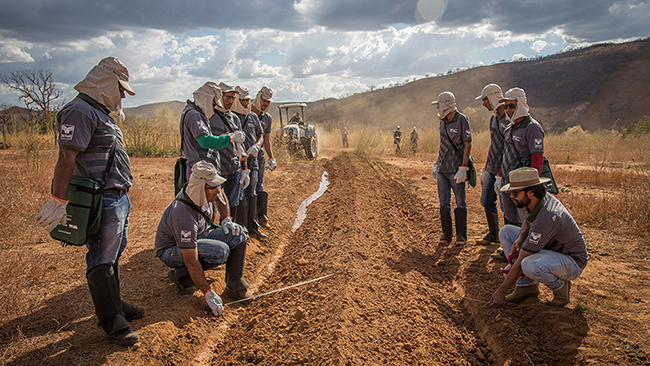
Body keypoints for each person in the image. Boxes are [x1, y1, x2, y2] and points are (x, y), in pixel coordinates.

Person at [34, 57, 142, 346]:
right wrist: (58, 199)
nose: (122, 95)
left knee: (114, 254)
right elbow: (66, 157)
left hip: (117, 196)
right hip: (100, 197)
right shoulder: (78, 110)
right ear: (106, 82)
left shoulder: (100, 112)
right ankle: (112, 322)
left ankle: (116, 305)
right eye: (121, 89)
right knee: (101, 258)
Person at [155, 161, 252, 310]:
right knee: (220, 252)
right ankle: (182, 276)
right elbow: (191, 260)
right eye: (214, 187)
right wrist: (208, 292)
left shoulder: (206, 193)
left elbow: (221, 197)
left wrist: (226, 219)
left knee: (239, 236)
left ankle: (234, 284)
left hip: (201, 234)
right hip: (173, 250)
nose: (217, 191)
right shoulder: (183, 216)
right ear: (201, 188)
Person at [489, 167, 588, 307]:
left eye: (515, 193)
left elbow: (521, 260)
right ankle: (526, 287)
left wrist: (501, 292)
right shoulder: (539, 200)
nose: (511, 196)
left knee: (528, 265)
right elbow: (528, 221)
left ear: (531, 192)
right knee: (506, 232)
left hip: (572, 261)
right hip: (550, 250)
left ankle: (560, 288)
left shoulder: (547, 216)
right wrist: (520, 238)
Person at [496, 87, 546, 227]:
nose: (508, 110)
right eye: (505, 106)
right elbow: (506, 155)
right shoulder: (509, 129)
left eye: (512, 106)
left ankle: (525, 247)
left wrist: (531, 185)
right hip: (508, 181)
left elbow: (537, 157)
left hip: (522, 184)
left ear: (521, 104)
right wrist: (499, 177)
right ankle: (511, 247)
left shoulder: (532, 128)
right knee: (509, 215)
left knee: (525, 219)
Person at [431, 91, 472, 245]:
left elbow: (467, 143)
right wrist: (437, 164)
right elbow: (442, 144)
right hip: (442, 169)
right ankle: (446, 234)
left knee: (460, 202)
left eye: (438, 104)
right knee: (443, 202)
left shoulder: (462, 120)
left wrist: (463, 167)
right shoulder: (442, 122)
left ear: (445, 104)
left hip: (456, 169)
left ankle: (461, 236)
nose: (437, 107)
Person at [232, 85, 267, 239]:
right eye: (242, 100)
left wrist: (257, 146)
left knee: (251, 192)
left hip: (253, 162)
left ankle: (253, 225)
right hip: (238, 163)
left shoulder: (252, 116)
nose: (246, 103)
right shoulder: (232, 117)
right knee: (240, 195)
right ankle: (242, 228)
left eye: (247, 100)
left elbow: (261, 135)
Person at [209, 82, 247, 223]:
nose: (230, 101)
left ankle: (230, 237)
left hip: (234, 169)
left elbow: (240, 145)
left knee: (233, 205)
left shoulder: (234, 118)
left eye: (233, 98)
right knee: (213, 205)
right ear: (219, 96)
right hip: (217, 170)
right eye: (227, 97)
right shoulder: (210, 118)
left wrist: (245, 169)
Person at [475, 84, 508, 245]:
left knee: (507, 206)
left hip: (505, 170)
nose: (484, 104)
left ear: (493, 98)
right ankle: (493, 234)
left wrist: (501, 174)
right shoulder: (493, 119)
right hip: (492, 168)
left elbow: (509, 149)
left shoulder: (508, 120)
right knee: (486, 200)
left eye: (485, 100)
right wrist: (486, 169)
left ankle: (508, 240)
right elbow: (493, 145)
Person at [251, 86, 275, 229]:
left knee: (260, 184)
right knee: (250, 186)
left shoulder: (267, 118)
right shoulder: (246, 114)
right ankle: (250, 219)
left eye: (268, 102)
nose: (266, 104)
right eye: (264, 100)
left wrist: (271, 157)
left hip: (259, 156)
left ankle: (262, 216)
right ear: (258, 97)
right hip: (248, 157)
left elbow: (267, 139)